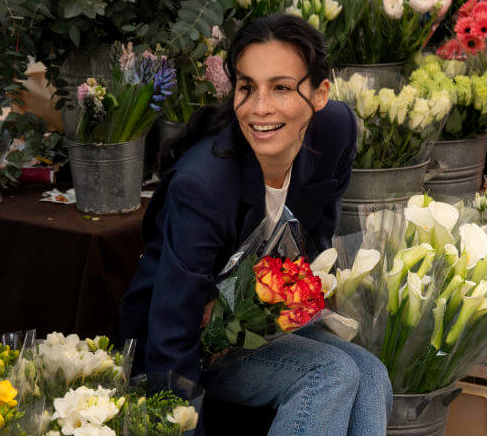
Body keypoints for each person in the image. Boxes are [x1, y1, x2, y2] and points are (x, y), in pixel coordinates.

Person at [119, 14, 388, 436]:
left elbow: (313, 240)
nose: (260, 108)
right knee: (331, 373)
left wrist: (282, 299)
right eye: (247, 87)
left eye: (281, 87)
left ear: (319, 94)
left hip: (256, 316)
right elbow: (171, 332)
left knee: (371, 373)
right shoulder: (203, 185)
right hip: (186, 335)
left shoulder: (334, 130)